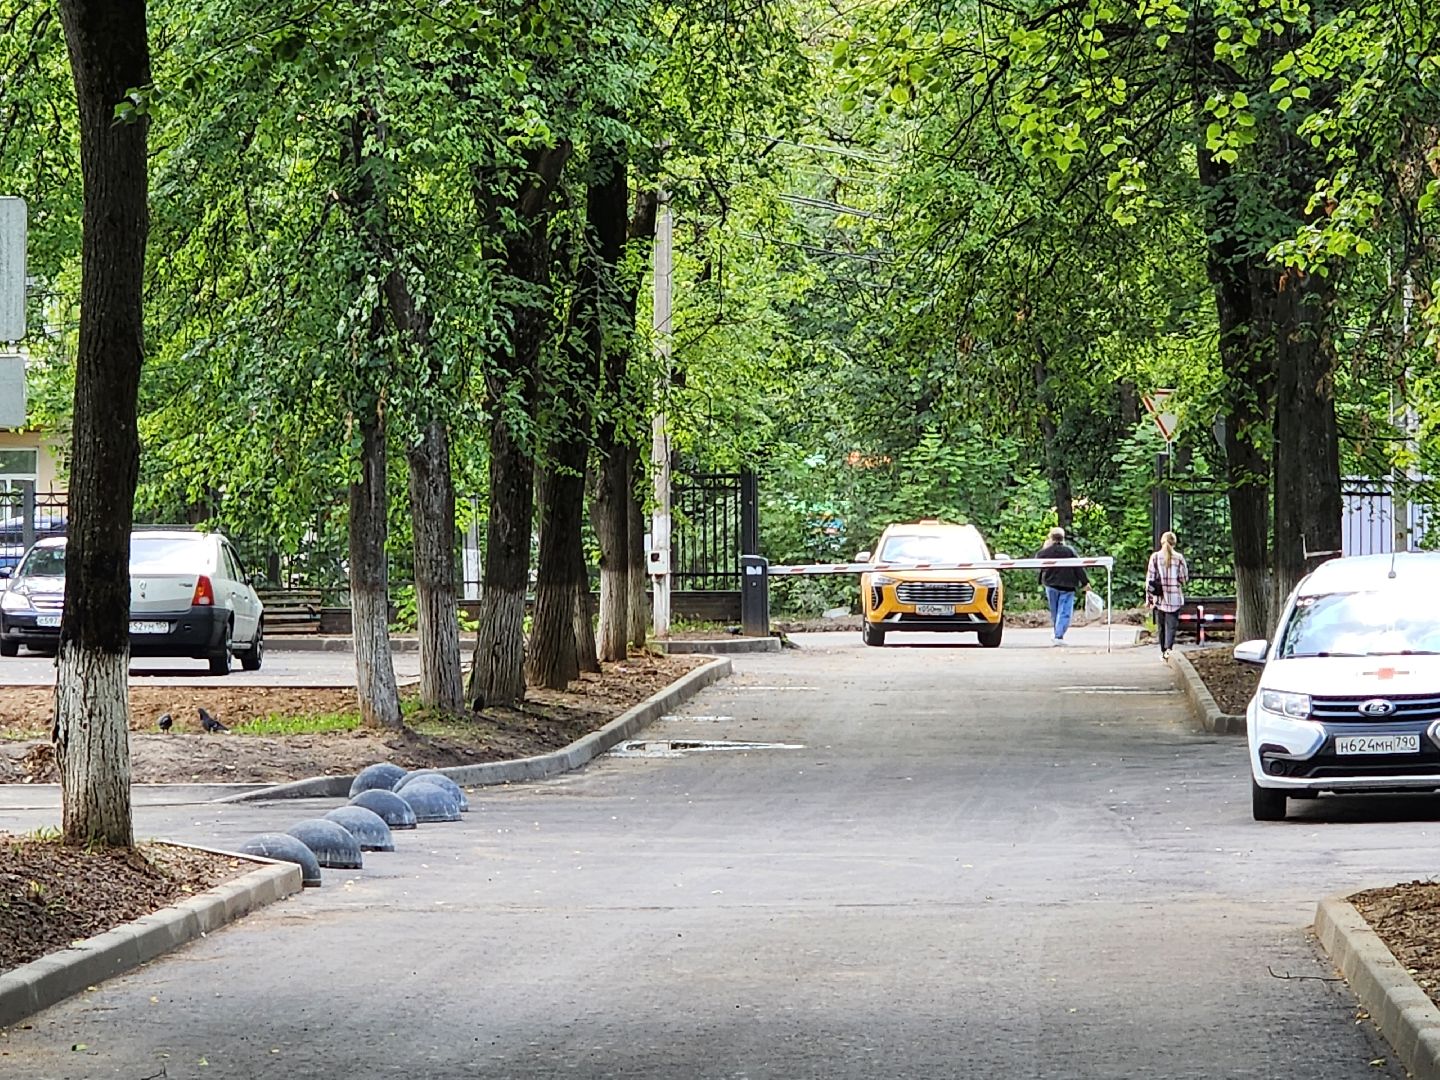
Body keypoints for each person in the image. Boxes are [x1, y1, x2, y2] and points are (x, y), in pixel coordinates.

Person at [1035, 526, 1089, 646]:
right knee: (1064, 612)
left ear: (1051, 538)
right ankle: (1058, 635)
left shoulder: (1045, 552)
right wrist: (1085, 582)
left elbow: (1038, 562)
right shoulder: (1069, 551)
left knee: (1055, 612)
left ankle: (1057, 633)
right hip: (1068, 586)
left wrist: (1045, 547)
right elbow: (1078, 567)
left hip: (1051, 584)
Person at [1146, 530, 1190, 660]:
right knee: (1171, 626)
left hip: (1160, 598)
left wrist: (1149, 599)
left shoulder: (1155, 557)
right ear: (1174, 543)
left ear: (1162, 542)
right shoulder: (1179, 558)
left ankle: (1163, 650)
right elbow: (1183, 578)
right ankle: (1168, 650)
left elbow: (1150, 580)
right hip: (1174, 598)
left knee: (1161, 626)